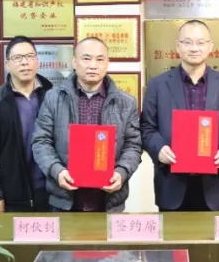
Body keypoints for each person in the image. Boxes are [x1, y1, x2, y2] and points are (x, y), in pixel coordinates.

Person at [141, 20, 219, 211]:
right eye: (187, 42)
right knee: (173, 232)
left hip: (216, 185)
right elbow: (147, 127)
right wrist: (159, 149)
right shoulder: (157, 85)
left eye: (200, 42)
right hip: (172, 184)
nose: (194, 48)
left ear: (210, 46)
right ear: (178, 46)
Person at [31, 37, 142, 212]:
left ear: (107, 63)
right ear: (74, 62)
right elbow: (41, 141)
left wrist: (121, 172)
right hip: (65, 198)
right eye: (86, 58)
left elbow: (133, 145)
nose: (93, 65)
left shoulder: (126, 102)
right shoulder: (53, 98)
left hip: (108, 199)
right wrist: (57, 171)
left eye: (100, 59)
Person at [0, 36, 53, 212]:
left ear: (37, 61)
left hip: (50, 191)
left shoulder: (52, 95)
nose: (25, 62)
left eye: (30, 56)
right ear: (7, 64)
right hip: (12, 193)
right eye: (18, 58)